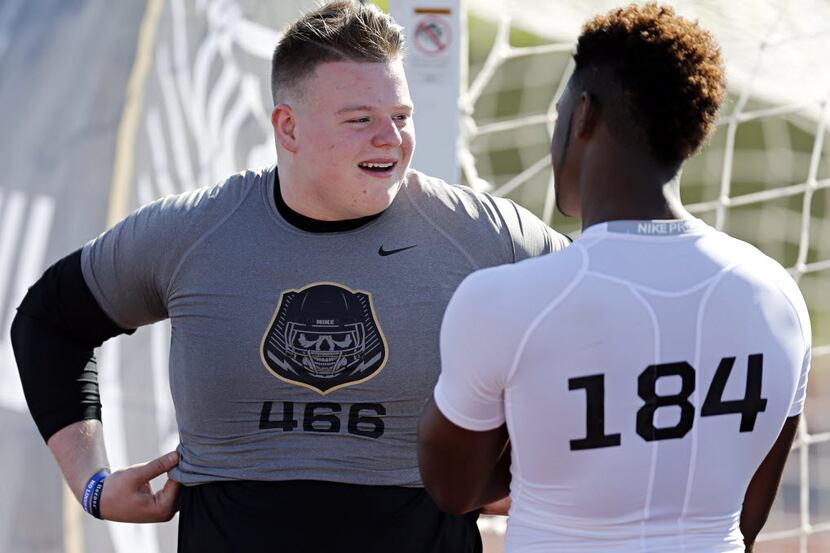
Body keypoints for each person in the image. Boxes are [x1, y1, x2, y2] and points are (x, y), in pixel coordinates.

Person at [10, 2, 569, 552]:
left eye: (401, 116)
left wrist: (541, 469)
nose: (391, 138)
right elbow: (47, 321)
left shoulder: (481, 235)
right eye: (361, 119)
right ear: (288, 127)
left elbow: (609, 313)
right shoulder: (192, 232)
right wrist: (92, 484)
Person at [417, 3, 811, 552]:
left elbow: (452, 487)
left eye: (557, 116)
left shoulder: (502, 301)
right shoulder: (777, 297)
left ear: (583, 116)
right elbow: (746, 519)